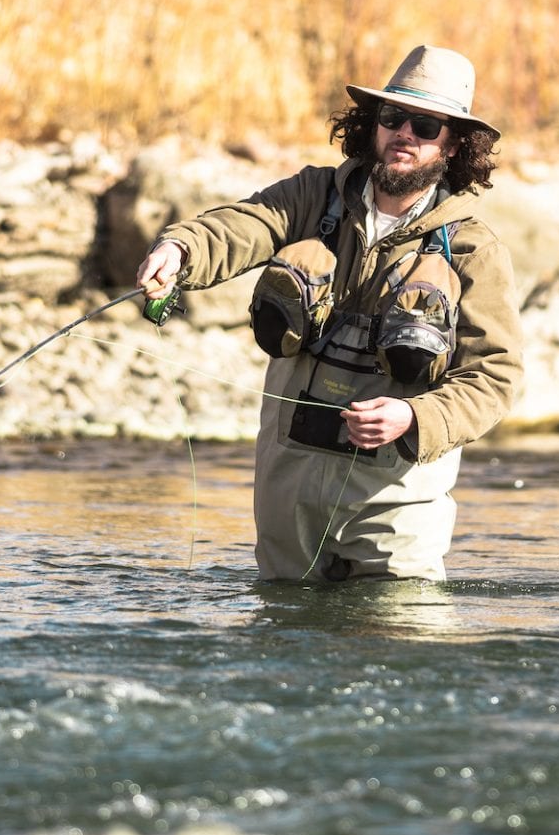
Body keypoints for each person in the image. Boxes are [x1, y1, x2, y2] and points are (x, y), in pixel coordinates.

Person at [136, 45, 524, 582]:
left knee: (398, 647)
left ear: (455, 145)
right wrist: (179, 250)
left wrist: (416, 418)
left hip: (396, 497)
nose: (404, 133)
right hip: (288, 490)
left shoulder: (474, 249)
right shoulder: (315, 195)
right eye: (392, 117)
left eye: (426, 125)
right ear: (372, 124)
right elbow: (241, 225)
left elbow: (496, 375)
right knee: (285, 650)